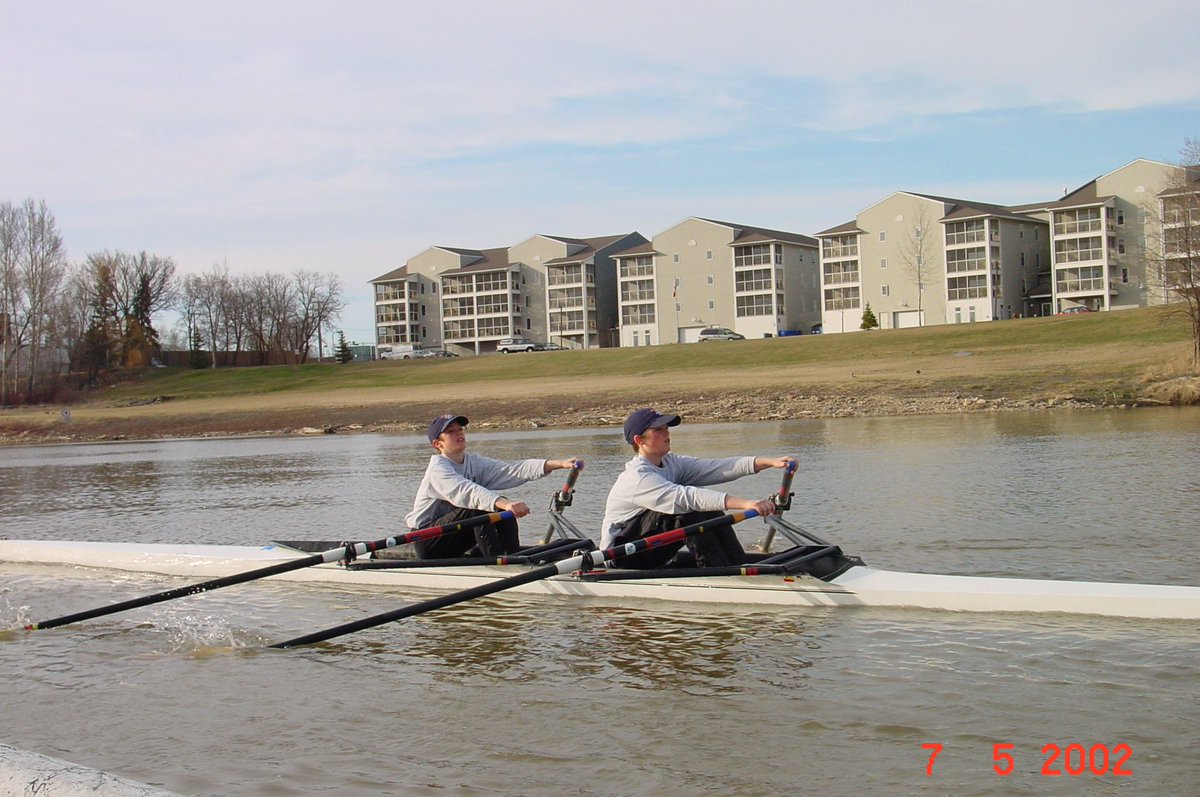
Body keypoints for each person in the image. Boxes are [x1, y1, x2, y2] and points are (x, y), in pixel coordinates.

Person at [599, 408, 796, 570]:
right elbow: (687, 498)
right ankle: (717, 574)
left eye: (666, 427)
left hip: (648, 549)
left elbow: (717, 468)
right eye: (658, 430)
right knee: (688, 510)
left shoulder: (672, 462)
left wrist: (770, 462)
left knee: (708, 508)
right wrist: (746, 504)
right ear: (639, 440)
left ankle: (737, 566)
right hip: (622, 556)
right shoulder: (637, 477)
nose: (667, 432)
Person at [406, 413, 582, 559]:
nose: (459, 433)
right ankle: (497, 561)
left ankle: (511, 555)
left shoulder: (473, 461)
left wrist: (558, 464)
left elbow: (511, 470)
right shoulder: (438, 468)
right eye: (451, 432)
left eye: (460, 429)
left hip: (455, 537)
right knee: (482, 508)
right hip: (427, 541)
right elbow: (466, 492)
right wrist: (505, 504)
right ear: (438, 444)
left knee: (500, 510)